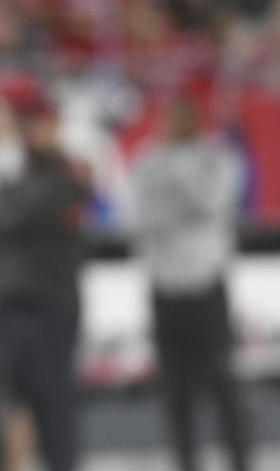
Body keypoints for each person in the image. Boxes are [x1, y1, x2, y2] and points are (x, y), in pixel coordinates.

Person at [130, 95, 250, 471]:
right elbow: (140, 215)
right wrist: (179, 207)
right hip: (165, 288)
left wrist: (177, 181)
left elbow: (211, 200)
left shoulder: (216, 157)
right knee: (176, 390)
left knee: (223, 383)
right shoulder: (149, 159)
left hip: (206, 286)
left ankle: (240, 460)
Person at [0, 93, 91, 471]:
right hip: (8, 306)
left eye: (41, 122)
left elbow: (17, 214)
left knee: (55, 410)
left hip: (52, 308)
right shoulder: (16, 174)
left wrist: (9, 212)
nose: (33, 131)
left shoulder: (68, 174)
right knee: (1, 409)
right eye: (27, 123)